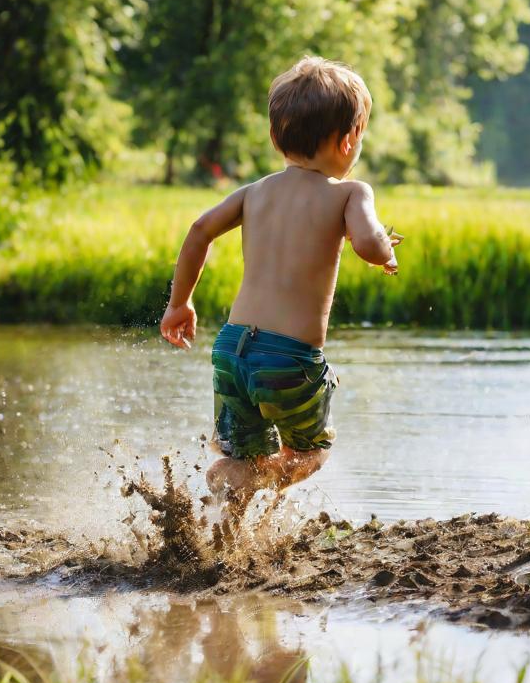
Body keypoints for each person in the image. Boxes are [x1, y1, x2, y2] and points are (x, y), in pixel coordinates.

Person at [159, 56, 402, 514]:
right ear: (349, 140)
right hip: (288, 359)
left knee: (243, 449)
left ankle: (228, 527)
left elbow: (199, 230)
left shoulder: (255, 192)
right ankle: (245, 477)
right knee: (311, 451)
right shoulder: (349, 193)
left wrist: (179, 304)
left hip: (232, 349)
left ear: (276, 137)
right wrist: (386, 253)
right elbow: (368, 244)